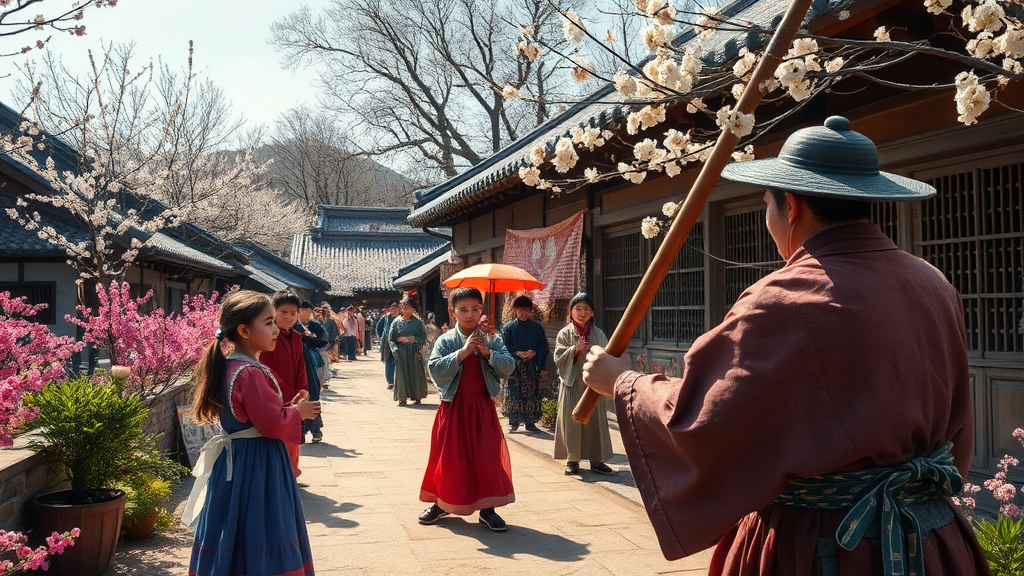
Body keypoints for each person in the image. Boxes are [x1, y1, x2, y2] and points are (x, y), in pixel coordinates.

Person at [581, 117, 988, 575]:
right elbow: (960, 427)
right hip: (933, 539)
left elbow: (701, 417)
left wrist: (622, 382)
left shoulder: (782, 298)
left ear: (790, 206)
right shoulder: (934, 282)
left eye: (767, 206)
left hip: (822, 545)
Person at [185, 290, 320, 576]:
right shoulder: (250, 372)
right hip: (258, 462)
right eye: (269, 322)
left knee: (233, 524)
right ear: (244, 330)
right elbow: (271, 423)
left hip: (236, 461)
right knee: (263, 524)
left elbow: (256, 415)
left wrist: (286, 408)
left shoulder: (230, 365)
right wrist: (299, 412)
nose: (276, 329)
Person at [419, 287, 516, 531]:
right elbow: (435, 370)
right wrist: (462, 352)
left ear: (482, 310)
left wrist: (487, 352)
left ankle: (487, 508)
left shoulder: (492, 338)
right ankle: (442, 503)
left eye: (475, 309)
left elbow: (508, 367)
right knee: (450, 460)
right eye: (463, 310)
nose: (470, 314)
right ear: (452, 312)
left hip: (482, 407)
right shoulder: (446, 340)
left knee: (486, 459)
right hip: (453, 408)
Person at [553, 293, 614, 476]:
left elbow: (607, 356)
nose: (582, 313)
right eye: (578, 309)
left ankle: (596, 460)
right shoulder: (565, 333)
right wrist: (575, 349)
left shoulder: (599, 334)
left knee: (596, 421)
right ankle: (572, 460)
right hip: (572, 383)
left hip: (593, 384)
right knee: (572, 421)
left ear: (592, 312)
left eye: (586, 309)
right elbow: (558, 357)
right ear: (571, 312)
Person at [259, 291, 308, 478]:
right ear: (274, 311)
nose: (289, 318)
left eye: (293, 313)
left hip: (293, 396)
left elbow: (300, 366)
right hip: (273, 394)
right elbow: (264, 366)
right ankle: (278, 474)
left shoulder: (296, 337)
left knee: (292, 435)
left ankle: (291, 470)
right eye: (284, 313)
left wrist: (302, 389)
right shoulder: (267, 334)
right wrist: (282, 390)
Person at [500, 296, 549, 433]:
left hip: (531, 366)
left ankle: (530, 422)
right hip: (514, 366)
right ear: (515, 310)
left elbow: (543, 346)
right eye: (521, 310)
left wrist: (535, 355)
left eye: (526, 310)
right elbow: (504, 346)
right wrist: (517, 353)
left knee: (531, 392)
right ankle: (513, 422)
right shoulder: (508, 328)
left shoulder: (537, 327)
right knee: (513, 393)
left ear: (531, 311)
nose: (523, 313)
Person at [296, 301, 328, 444]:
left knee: (313, 394)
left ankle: (316, 430)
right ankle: (300, 430)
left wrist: (310, 339)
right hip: (297, 364)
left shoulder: (315, 326)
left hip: (312, 362)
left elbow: (323, 341)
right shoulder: (293, 327)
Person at [388, 298, 429, 406]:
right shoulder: (396, 323)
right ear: (401, 308)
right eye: (405, 308)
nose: (406, 310)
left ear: (412, 309)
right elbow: (391, 339)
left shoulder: (418, 323)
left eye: (409, 308)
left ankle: (417, 396)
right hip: (401, 353)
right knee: (401, 374)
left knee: (415, 373)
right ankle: (402, 398)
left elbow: (423, 338)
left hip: (413, 352)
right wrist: (395, 348)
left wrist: (411, 339)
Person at [376, 301, 400, 389]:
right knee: (388, 360)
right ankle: (390, 381)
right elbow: (378, 327)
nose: (394, 311)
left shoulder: (401, 318)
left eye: (396, 309)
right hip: (387, 342)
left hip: (397, 341)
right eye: (393, 309)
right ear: (390, 309)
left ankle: (397, 380)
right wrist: (382, 336)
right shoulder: (385, 318)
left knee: (397, 360)